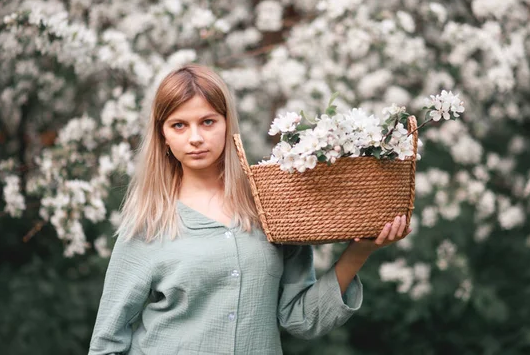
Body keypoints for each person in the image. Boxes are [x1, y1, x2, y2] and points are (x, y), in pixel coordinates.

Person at [88, 64, 412, 355]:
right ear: (164, 136)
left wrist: (359, 252)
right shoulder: (150, 222)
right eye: (179, 126)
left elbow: (301, 319)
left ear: (228, 124)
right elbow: (107, 342)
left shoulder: (270, 207)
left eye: (207, 121)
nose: (196, 137)